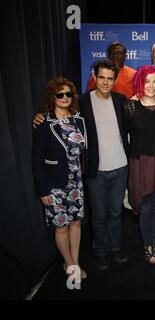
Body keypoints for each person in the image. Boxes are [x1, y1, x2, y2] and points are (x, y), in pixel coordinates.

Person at [33, 60, 129, 270]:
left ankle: (115, 246)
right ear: (94, 76)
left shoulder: (122, 100)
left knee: (116, 212)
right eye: (101, 77)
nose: (105, 82)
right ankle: (100, 251)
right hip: (95, 170)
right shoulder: (83, 104)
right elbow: (58, 118)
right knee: (99, 213)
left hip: (121, 167)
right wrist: (40, 117)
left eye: (110, 78)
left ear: (115, 80)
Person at [32, 77, 87, 281]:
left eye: (68, 94)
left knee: (76, 224)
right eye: (60, 94)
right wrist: (42, 190)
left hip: (77, 182)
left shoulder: (78, 120)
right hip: (54, 185)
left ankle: (74, 260)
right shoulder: (44, 123)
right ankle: (71, 265)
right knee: (61, 227)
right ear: (52, 97)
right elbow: (36, 160)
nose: (64, 98)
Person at [124, 65, 155, 265]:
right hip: (140, 162)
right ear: (139, 83)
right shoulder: (130, 107)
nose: (151, 86)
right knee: (145, 206)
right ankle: (148, 245)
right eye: (147, 81)